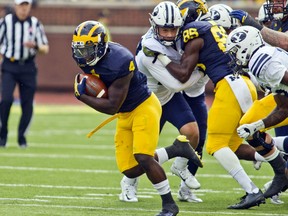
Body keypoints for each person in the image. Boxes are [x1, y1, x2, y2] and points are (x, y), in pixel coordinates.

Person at [143, 0, 287, 209]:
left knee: (215, 144)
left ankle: (252, 191)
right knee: (237, 142)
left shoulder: (194, 32)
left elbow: (183, 74)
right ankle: (278, 166)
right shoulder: (213, 28)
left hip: (228, 85)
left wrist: (161, 58)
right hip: (243, 82)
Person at [72, 20, 202, 216]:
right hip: (125, 113)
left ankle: (169, 205)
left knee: (143, 157)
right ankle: (177, 149)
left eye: (89, 49)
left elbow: (111, 106)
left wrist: (82, 96)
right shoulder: (90, 58)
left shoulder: (120, 61)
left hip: (144, 107)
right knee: (130, 170)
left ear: (100, 46)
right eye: (80, 49)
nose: (84, 55)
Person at [120, 1, 207, 204]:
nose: (169, 34)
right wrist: (201, 72)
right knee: (143, 153)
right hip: (146, 101)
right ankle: (128, 183)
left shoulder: (180, 36)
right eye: (165, 29)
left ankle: (180, 166)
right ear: (154, 25)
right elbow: (177, 84)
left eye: (173, 29)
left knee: (193, 133)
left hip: (167, 96)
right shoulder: (148, 50)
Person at [226, 25, 288, 198]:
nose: (234, 57)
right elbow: (284, 109)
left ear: (247, 46)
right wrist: (256, 126)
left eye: (235, 51)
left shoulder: (260, 63)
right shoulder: (264, 55)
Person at [0, 0, 49, 148]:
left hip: (28, 66)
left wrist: (35, 45)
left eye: (26, 5)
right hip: (10, 65)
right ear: (15, 6)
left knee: (27, 104)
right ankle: (3, 135)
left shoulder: (35, 24)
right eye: (21, 5)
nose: (23, 9)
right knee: (6, 99)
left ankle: (22, 138)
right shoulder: (5, 22)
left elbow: (45, 49)